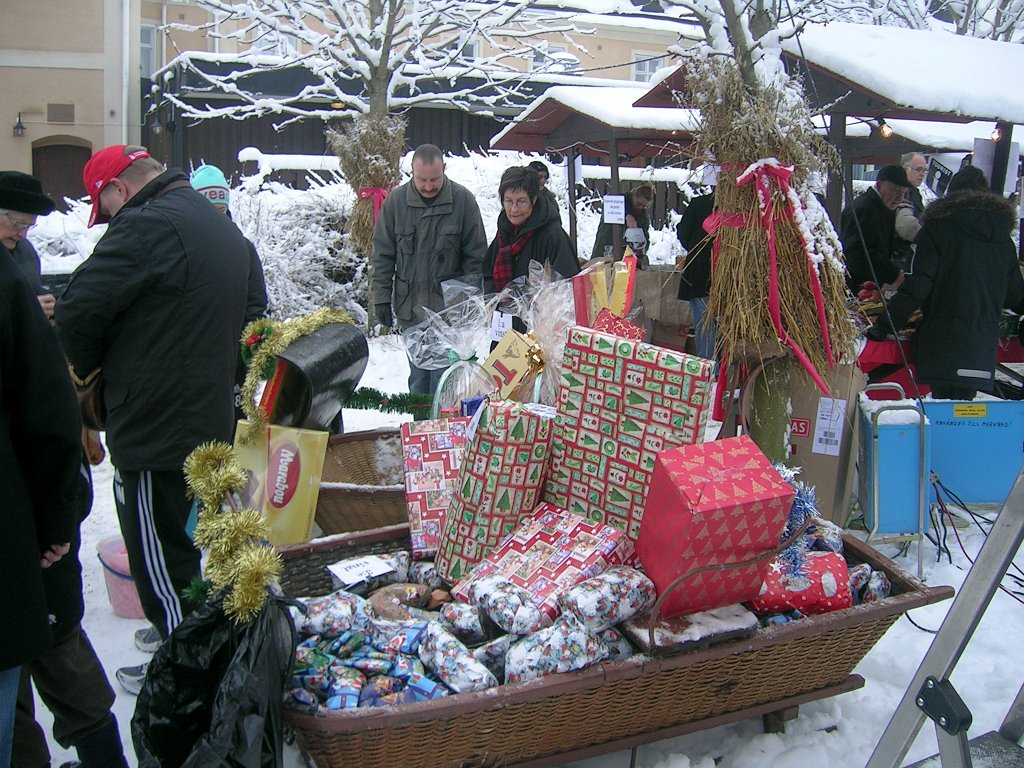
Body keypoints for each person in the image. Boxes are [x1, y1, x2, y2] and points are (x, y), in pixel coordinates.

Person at [54, 145, 251, 695]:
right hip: (205, 424)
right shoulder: (213, 224)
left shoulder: (146, 225)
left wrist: (89, 377)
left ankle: (187, 685)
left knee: (165, 571)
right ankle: (207, 661)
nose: (110, 220)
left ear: (118, 187)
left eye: (106, 208)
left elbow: (75, 311)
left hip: (156, 434)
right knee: (191, 557)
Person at [0, 176, 82, 768]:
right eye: (10, 220)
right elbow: (47, 413)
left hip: (24, 522)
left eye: (25, 226)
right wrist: (58, 517)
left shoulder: (15, 267)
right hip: (18, 531)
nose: (16, 233)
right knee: (52, 649)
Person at [866, 166, 1024, 399]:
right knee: (962, 415)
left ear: (952, 194)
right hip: (981, 347)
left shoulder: (936, 230)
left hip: (942, 345)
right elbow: (1015, 297)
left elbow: (917, 288)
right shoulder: (1003, 241)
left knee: (942, 414)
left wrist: (883, 327)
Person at [370, 144, 486, 395]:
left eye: (434, 179)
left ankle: (442, 432)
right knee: (419, 382)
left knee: (444, 381)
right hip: (411, 309)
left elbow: (475, 259)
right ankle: (419, 431)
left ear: (444, 169)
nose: (429, 186)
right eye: (422, 179)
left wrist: (469, 307)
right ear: (411, 171)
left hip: (450, 314)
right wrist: (380, 299)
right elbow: (383, 256)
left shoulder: (463, 201)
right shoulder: (396, 203)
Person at [189, 164, 270, 422]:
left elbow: (256, 306)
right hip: (218, 361)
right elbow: (257, 306)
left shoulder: (241, 249)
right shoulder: (242, 246)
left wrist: (248, 354)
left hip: (223, 361)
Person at [482, 166, 579, 325]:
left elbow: (568, 288)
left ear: (533, 200)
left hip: (539, 330)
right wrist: (493, 300)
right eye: (508, 201)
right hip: (503, 325)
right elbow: (488, 273)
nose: (513, 209)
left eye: (521, 201)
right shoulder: (504, 232)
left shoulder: (552, 235)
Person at [840, 164, 911, 292]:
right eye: (896, 190)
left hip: (871, 286)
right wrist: (892, 274)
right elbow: (855, 254)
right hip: (855, 287)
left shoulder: (882, 206)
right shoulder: (862, 209)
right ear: (879, 185)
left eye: (903, 192)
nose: (900, 198)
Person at [590, 184, 653, 267]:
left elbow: (645, 239)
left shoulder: (642, 216)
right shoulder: (617, 202)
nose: (640, 208)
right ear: (633, 196)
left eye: (644, 206)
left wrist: (642, 244)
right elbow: (609, 210)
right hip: (605, 249)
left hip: (626, 259)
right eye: (638, 204)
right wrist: (626, 215)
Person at [892, 151, 928, 268]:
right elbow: (906, 226)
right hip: (900, 259)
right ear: (905, 169)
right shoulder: (903, 191)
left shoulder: (913, 192)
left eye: (924, 170)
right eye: (918, 169)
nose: (922, 174)